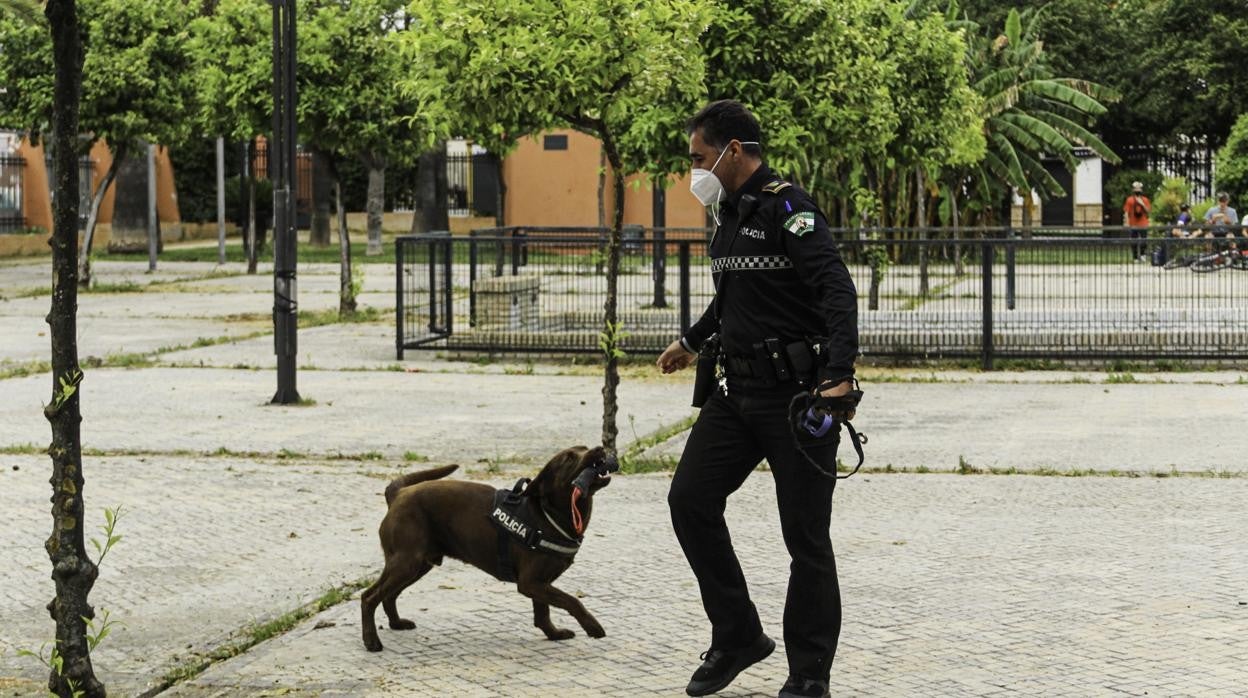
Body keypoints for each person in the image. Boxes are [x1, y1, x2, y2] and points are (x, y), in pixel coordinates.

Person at [656, 99, 859, 698]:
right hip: (735, 393)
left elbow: (836, 290)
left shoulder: (789, 208)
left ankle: (809, 674)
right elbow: (733, 296)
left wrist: (839, 375)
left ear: (733, 151)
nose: (693, 170)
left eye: (699, 157)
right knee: (689, 500)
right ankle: (739, 635)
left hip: (797, 399)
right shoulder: (725, 214)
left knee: (805, 537)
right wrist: (693, 341)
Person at [1123, 181, 1151, 262]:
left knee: (1144, 240)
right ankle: (1135, 257)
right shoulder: (1129, 200)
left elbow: (1148, 211)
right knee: (1134, 241)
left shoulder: (1145, 200)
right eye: (1136, 188)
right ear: (1133, 190)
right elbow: (1126, 212)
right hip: (1133, 224)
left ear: (1141, 190)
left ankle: (1143, 255)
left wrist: (1142, 204)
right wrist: (1126, 222)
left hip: (1143, 223)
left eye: (1139, 188)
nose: (1137, 190)